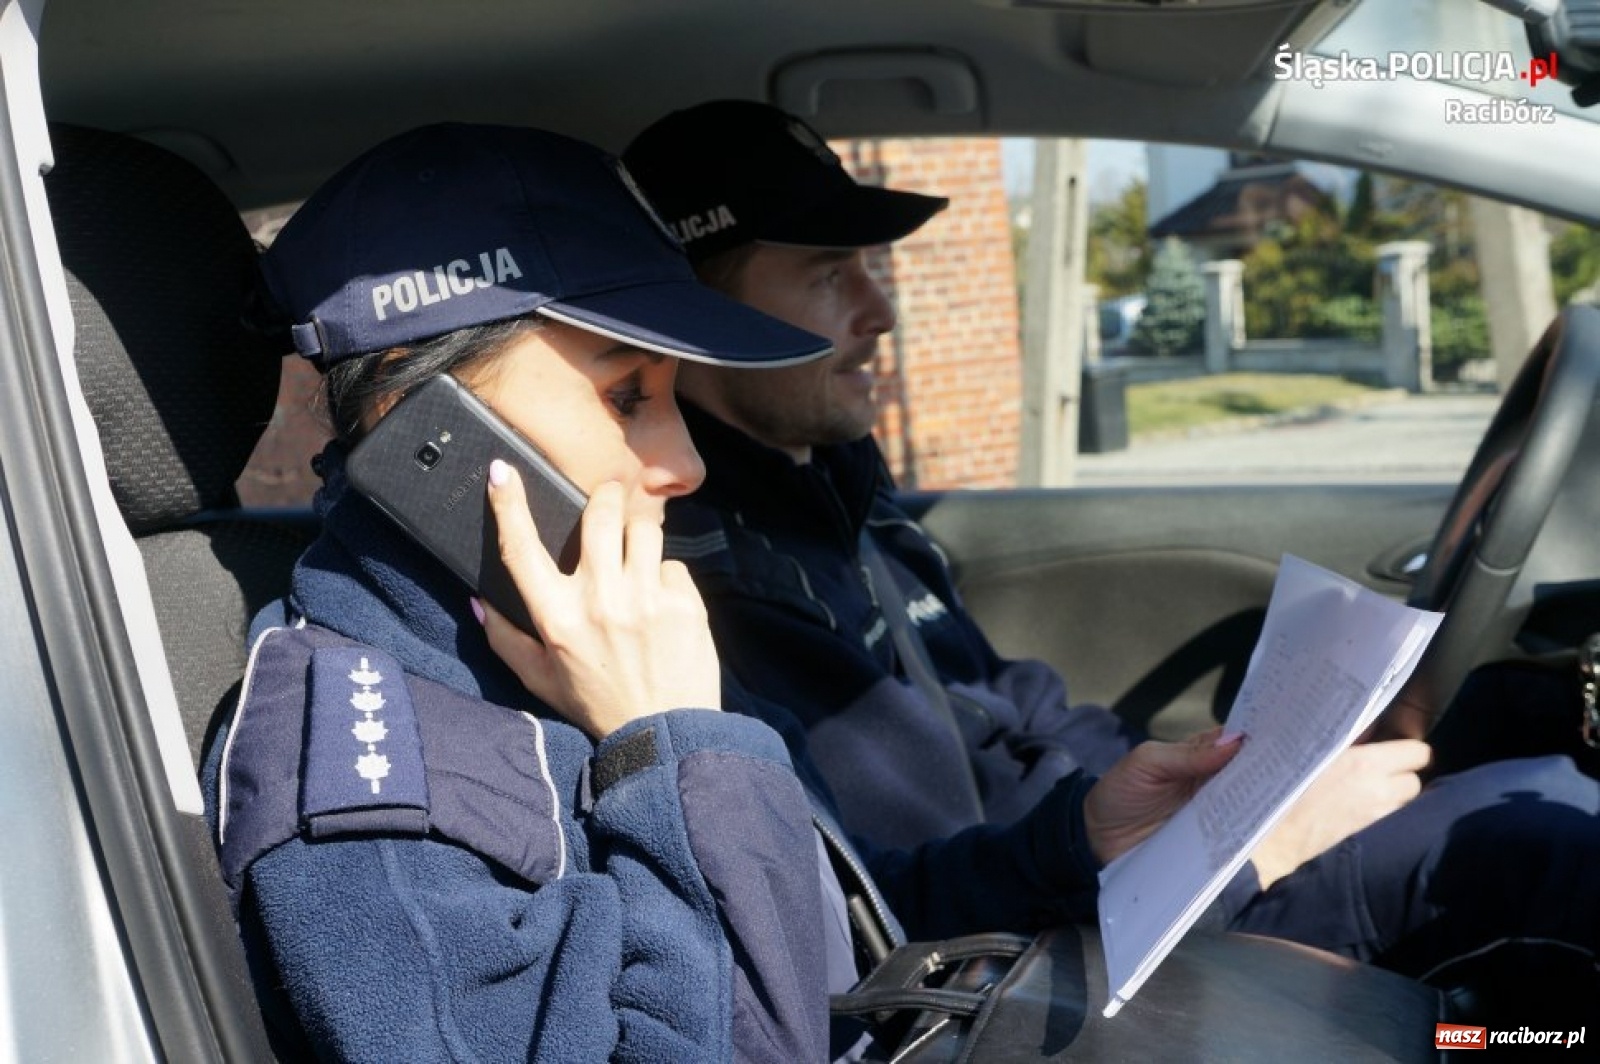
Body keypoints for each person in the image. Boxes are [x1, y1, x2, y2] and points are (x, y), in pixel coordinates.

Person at [202, 121, 1252, 1062]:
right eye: (626, 396)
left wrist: (1072, 841)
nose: (688, 464)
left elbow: (837, 927)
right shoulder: (369, 803)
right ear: (418, 421)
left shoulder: (582, 642)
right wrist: (668, 743)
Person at [623, 98, 1600, 1019]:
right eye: (830, 273)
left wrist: (1230, 784)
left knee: (1533, 748)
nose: (880, 311)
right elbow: (876, 906)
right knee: (1542, 850)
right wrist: (1247, 838)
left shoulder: (837, 484)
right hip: (1057, 943)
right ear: (695, 311)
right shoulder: (696, 590)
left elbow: (1006, 697)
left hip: (1110, 861)